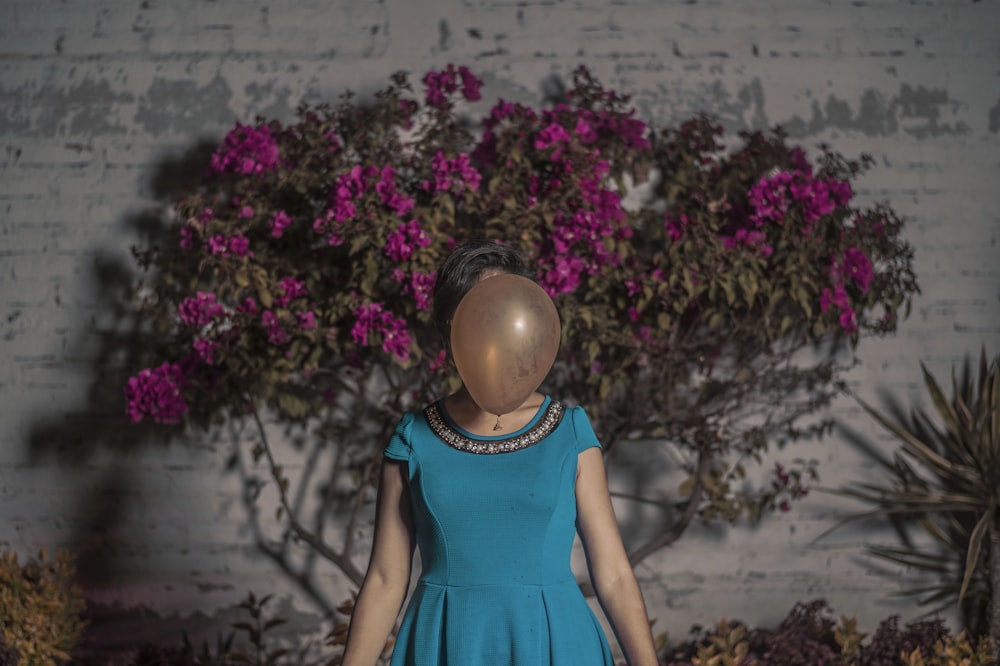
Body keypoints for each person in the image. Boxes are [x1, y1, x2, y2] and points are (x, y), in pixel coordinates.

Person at [341, 240, 660, 666]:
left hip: (556, 643)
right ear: (452, 327)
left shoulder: (570, 431)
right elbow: (384, 578)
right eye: (478, 314)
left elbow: (615, 574)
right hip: (446, 641)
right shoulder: (414, 437)